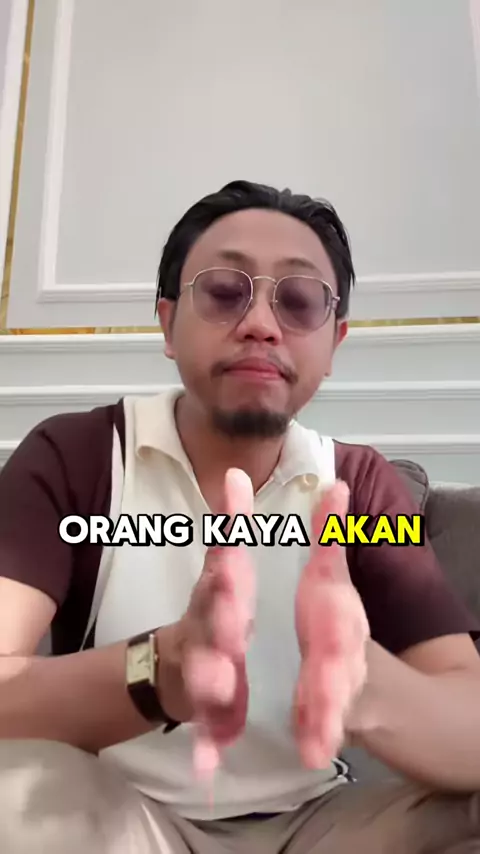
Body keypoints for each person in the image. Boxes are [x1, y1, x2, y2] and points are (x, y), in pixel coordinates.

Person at [0, 180, 479, 854]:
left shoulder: (357, 490)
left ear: (334, 343)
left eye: (300, 300)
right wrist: (161, 670)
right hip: (117, 818)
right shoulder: (77, 458)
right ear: (168, 323)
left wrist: (367, 686)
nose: (260, 323)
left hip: (322, 828)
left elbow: (468, 714)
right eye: (225, 291)